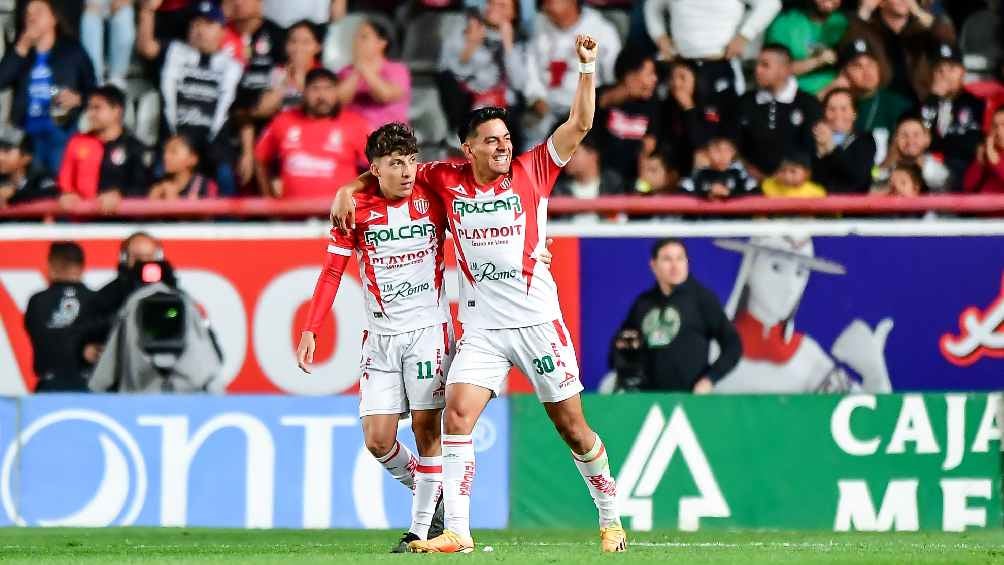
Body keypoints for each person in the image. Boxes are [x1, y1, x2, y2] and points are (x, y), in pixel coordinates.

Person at [332, 35, 628, 555]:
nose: (503, 147)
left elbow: (580, 124)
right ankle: (458, 532)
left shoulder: (534, 170)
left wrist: (587, 68)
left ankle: (610, 518)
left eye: (506, 138)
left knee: (573, 428)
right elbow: (388, 170)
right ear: (468, 149)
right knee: (456, 414)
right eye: (491, 141)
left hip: (537, 323)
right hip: (483, 329)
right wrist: (347, 189)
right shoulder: (443, 177)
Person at [296, 123, 447, 553]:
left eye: (411, 161)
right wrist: (311, 328)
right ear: (375, 169)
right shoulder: (356, 207)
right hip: (380, 337)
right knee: (378, 439)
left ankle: (420, 531)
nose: (406, 171)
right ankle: (434, 493)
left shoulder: (434, 194)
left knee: (426, 429)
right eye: (395, 163)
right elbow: (332, 272)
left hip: (427, 331)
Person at [713, 236, 893, 393]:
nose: (789, 286)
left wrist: (875, 374)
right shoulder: (711, 348)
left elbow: (868, 418)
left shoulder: (807, 357)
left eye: (800, 273)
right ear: (749, 268)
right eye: (776, 267)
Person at [610, 238, 741, 393]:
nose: (675, 266)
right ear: (654, 265)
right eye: (667, 259)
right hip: (649, 400)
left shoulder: (702, 299)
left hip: (690, 399)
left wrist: (710, 379)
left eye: (680, 258)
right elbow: (623, 346)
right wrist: (627, 375)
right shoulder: (643, 303)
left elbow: (733, 345)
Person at [138, 0, 244, 190]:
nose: (200, 30)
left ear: (223, 31)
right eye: (195, 24)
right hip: (172, 146)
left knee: (226, 176)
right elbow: (146, 47)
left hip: (214, 148)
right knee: (156, 177)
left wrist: (249, 151)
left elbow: (244, 113)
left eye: (208, 24)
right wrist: (147, 11)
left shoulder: (233, 66)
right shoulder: (173, 51)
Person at [0, 0, 97, 175]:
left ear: (54, 18)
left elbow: (93, 90)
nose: (31, 18)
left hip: (60, 130)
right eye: (28, 14)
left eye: (38, 12)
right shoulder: (20, 52)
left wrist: (78, 99)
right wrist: (22, 46)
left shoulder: (72, 51)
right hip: (24, 135)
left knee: (56, 180)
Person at [254, 68, 369, 199]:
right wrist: (268, 198)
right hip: (292, 210)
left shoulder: (355, 123)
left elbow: (378, 165)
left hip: (339, 210)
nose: (322, 95)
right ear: (304, 92)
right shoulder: (284, 120)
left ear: (336, 92)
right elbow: (260, 158)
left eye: (328, 88)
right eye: (315, 89)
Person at [522, 0, 621, 149]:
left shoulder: (601, 29)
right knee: (531, 149)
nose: (547, 5)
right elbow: (530, 72)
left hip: (586, 114)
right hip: (546, 111)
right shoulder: (538, 25)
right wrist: (536, 98)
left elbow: (612, 78)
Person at [237, 20, 323, 189]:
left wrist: (301, 80)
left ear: (317, 47)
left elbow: (320, 110)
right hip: (280, 139)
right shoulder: (277, 73)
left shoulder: (324, 75)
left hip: (314, 138)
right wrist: (284, 83)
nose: (298, 48)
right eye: (293, 41)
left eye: (305, 42)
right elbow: (260, 110)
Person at [643, 0, 781, 96]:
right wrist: (659, 36)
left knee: (725, 126)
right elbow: (651, 6)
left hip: (721, 64)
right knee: (677, 124)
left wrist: (744, 36)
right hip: (681, 64)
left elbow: (771, 3)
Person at [437, 0, 527, 138]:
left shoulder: (520, 42)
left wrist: (508, 46)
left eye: (502, 6)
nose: (494, 8)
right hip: (470, 102)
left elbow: (519, 83)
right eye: (491, 3)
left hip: (505, 107)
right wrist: (471, 46)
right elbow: (452, 74)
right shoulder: (467, 30)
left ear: (514, 13)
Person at [57, 86, 153, 214]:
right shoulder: (76, 142)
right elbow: (64, 181)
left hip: (121, 222)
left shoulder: (134, 147)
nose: (90, 114)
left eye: (97, 108)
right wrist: (66, 194)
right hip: (82, 221)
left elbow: (144, 188)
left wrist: (120, 194)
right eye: (89, 108)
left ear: (117, 111)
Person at [736, 44, 823, 179]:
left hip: (794, 185)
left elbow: (812, 149)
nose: (757, 70)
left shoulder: (808, 104)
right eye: (757, 64)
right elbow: (735, 144)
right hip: (750, 182)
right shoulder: (745, 102)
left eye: (765, 65)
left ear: (784, 70)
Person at [79, 232, 165, 365]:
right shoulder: (108, 294)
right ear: (124, 258)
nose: (143, 263)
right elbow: (85, 331)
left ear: (158, 258)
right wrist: (85, 350)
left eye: (148, 257)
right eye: (137, 258)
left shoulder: (170, 293)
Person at [825, 38, 913, 163]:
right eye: (858, 66)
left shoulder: (896, 104)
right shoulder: (835, 104)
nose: (867, 72)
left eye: (871, 64)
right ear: (844, 72)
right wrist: (831, 88)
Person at [23, 242, 96, 392]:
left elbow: (33, 332)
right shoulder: (97, 301)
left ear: (50, 266)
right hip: (89, 386)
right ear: (82, 267)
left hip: (50, 386)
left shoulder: (37, 301)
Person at [849, 0, 954, 103]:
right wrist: (865, 10)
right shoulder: (869, 30)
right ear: (881, 2)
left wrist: (918, 12)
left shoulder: (922, 30)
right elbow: (849, 45)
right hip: (879, 101)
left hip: (917, 101)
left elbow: (949, 43)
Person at [918, 42, 985, 186]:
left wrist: (943, 144)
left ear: (963, 72)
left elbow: (972, 144)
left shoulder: (976, 104)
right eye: (939, 69)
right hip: (929, 172)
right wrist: (933, 100)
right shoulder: (926, 104)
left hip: (963, 171)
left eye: (951, 68)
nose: (945, 75)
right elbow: (920, 140)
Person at [643, 59, 724, 175]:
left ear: (695, 79)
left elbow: (701, 141)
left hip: (695, 166)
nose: (676, 83)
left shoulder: (710, 106)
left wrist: (688, 108)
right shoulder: (664, 106)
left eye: (682, 77)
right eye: (672, 78)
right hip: (667, 164)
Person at [593, 47, 659, 187]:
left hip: (633, 183)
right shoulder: (596, 98)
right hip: (600, 180)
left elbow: (649, 146)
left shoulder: (651, 106)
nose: (655, 79)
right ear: (630, 77)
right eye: (650, 74)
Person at [336, 19, 411, 130]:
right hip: (354, 134)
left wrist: (364, 68)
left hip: (389, 134)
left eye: (364, 37)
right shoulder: (345, 72)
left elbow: (385, 95)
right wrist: (356, 72)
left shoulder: (397, 69)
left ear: (382, 43)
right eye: (356, 37)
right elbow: (337, 101)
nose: (357, 42)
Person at [764, 0, 849, 96]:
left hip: (836, 93)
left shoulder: (843, 22)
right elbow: (775, 70)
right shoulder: (785, 23)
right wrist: (818, 60)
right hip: (793, 94)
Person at [812, 88, 877, 193]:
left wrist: (832, 147)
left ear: (854, 113)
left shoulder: (865, 139)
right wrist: (820, 153)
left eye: (844, 109)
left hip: (853, 201)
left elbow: (858, 176)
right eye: (831, 109)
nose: (837, 115)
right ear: (824, 113)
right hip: (819, 201)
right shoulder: (814, 139)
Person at [872, 115, 950, 192]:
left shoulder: (934, 165)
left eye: (916, 135)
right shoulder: (885, 161)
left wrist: (919, 160)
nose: (910, 141)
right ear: (895, 139)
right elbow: (874, 180)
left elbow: (941, 180)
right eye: (904, 135)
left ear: (927, 139)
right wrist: (887, 163)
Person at [680, 137, 758, 200]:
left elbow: (753, 198)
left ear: (733, 152)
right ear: (707, 153)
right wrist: (708, 194)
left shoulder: (740, 175)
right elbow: (684, 197)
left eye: (726, 150)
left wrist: (729, 193)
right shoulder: (699, 176)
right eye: (717, 151)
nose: (722, 156)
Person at [80, 0, 135, 86]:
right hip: (93, 5)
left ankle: (117, 78)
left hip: (121, 5)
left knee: (124, 16)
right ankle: (95, 78)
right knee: (89, 19)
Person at [0, 126, 59, 207]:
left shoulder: (42, 178)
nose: (1, 157)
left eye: (6, 151)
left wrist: (15, 194)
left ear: (26, 158)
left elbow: (52, 194)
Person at [149, 134, 220, 199]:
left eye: (173, 151)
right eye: (165, 151)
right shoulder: (159, 186)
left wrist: (173, 200)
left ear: (192, 159)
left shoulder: (207, 186)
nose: (165, 156)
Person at [962, 106, 1004, 194]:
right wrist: (979, 161)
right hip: (983, 201)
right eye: (995, 126)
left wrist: (995, 160)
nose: (999, 131)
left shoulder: (991, 153)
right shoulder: (988, 151)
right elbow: (968, 186)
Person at [761, 150, 826, 198]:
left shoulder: (816, 193)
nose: (787, 176)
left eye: (793, 171)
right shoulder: (767, 186)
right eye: (782, 170)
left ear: (807, 174)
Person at [320, 0, 363, 73]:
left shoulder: (357, 30)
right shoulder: (320, 29)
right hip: (323, 73)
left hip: (347, 72)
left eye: (339, 4)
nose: (333, 7)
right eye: (332, 3)